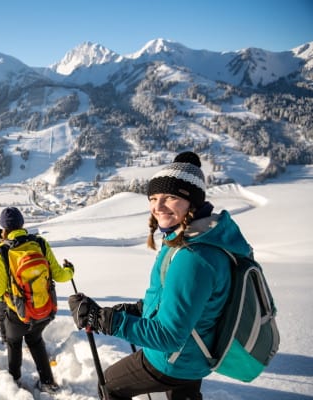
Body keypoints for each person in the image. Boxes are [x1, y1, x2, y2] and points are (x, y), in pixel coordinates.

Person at [68, 151, 252, 400]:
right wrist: (136, 310)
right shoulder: (201, 238)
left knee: (110, 384)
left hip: (174, 359)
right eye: (153, 198)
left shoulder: (192, 256)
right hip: (197, 351)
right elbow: (186, 304)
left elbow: (168, 337)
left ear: (192, 201)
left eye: (170, 197)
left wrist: (105, 320)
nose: (157, 207)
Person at [0, 207, 75, 394]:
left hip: (17, 313)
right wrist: (70, 270)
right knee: (36, 341)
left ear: (3, 228)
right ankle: (47, 382)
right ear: (22, 224)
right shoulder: (40, 243)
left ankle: (14, 382)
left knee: (14, 343)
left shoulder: (1, 250)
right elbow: (60, 275)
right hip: (44, 309)